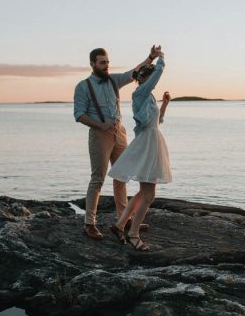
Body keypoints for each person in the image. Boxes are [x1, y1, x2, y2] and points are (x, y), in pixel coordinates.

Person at [73, 46, 158, 240]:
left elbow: (134, 72)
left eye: (107, 63)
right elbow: (79, 115)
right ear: (92, 64)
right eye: (102, 63)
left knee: (122, 176)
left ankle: (123, 219)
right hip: (99, 135)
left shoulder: (113, 80)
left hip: (120, 133)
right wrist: (101, 125)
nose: (106, 66)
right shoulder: (83, 86)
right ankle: (89, 223)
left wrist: (150, 58)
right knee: (98, 179)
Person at [108, 48, 172, 251]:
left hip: (152, 141)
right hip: (147, 144)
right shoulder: (140, 93)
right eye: (151, 76)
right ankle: (133, 234)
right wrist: (161, 58)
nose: (154, 79)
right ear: (144, 78)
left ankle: (120, 226)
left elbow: (156, 121)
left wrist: (165, 104)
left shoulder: (149, 97)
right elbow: (158, 73)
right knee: (149, 195)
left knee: (143, 192)